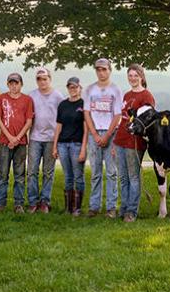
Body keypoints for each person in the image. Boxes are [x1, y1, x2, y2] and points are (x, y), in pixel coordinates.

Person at [113, 64, 155, 222]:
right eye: (130, 75)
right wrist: (114, 142)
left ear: (142, 77)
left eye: (135, 75)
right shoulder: (127, 95)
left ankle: (132, 211)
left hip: (134, 142)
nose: (132, 78)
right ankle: (123, 208)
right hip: (120, 140)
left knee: (133, 177)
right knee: (123, 178)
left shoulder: (146, 96)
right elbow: (123, 119)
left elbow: (147, 121)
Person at [83, 58, 122, 218]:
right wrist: (94, 134)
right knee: (96, 172)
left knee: (111, 172)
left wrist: (106, 135)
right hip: (94, 134)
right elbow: (86, 113)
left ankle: (111, 207)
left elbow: (118, 114)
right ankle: (94, 206)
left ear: (109, 70)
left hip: (111, 134)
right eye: (98, 69)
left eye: (104, 69)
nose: (101, 72)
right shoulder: (90, 90)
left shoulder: (115, 90)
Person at [0, 73, 34, 213]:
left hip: (21, 143)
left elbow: (29, 121)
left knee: (19, 175)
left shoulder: (27, 100)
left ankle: (18, 204)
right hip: (5, 142)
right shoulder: (2, 98)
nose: (13, 86)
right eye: (11, 83)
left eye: (16, 83)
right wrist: (10, 137)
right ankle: (0, 204)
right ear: (7, 84)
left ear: (21, 84)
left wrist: (17, 138)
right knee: (3, 175)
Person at [27, 67, 64, 213]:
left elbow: (62, 119)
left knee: (48, 172)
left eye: (44, 78)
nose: (42, 81)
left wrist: (58, 140)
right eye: (39, 79)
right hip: (35, 138)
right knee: (32, 171)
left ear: (50, 79)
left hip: (51, 139)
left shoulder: (58, 96)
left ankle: (45, 202)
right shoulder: (32, 96)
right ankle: (32, 201)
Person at [53, 77, 88, 216]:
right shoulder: (63, 105)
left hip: (77, 144)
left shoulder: (84, 105)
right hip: (62, 144)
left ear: (80, 88)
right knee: (68, 176)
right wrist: (55, 146)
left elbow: (86, 129)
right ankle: (68, 208)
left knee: (78, 175)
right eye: (70, 87)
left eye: (75, 87)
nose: (73, 90)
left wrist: (83, 149)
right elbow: (58, 126)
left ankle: (77, 208)